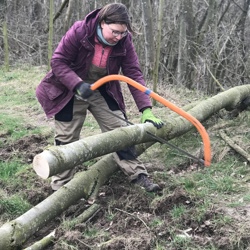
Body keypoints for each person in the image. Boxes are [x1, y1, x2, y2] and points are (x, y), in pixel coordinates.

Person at [36, 3, 164, 192]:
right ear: (102, 23)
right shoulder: (80, 31)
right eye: (115, 32)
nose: (118, 37)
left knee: (121, 131)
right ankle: (60, 190)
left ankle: (139, 177)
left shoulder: (124, 40)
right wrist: (77, 84)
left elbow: (133, 74)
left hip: (103, 88)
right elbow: (58, 61)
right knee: (66, 139)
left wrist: (146, 109)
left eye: (122, 33)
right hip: (70, 88)